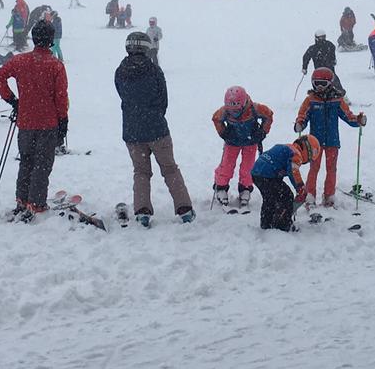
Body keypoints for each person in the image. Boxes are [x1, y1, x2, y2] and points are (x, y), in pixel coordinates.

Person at [114, 31, 194, 225]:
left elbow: (122, 94)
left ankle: (142, 211)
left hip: (132, 132)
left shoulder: (120, 71)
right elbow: (163, 100)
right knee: (170, 169)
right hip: (157, 130)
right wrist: (154, 115)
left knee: (141, 172)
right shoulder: (154, 70)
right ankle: (184, 210)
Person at [0, 19, 69, 218]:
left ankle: (22, 198)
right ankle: (36, 203)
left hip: (25, 121)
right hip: (48, 122)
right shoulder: (56, 65)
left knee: (26, 161)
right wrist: (63, 122)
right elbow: (61, 97)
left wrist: (12, 100)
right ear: (51, 40)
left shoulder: (20, 61)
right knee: (42, 164)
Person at [293, 67, 365, 206]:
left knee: (331, 168)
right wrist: (300, 123)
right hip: (314, 143)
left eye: (323, 84)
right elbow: (303, 115)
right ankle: (310, 194)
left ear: (330, 84)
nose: (319, 87)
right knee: (314, 167)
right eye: (316, 83)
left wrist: (358, 120)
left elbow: (348, 116)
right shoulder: (311, 100)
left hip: (332, 140)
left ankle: (329, 195)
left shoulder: (337, 101)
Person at [211, 85, 273, 209]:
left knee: (248, 167)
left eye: (236, 110)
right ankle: (221, 187)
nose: (234, 113)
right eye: (231, 110)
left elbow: (269, 115)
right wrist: (224, 132)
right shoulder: (224, 111)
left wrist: (262, 132)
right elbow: (216, 118)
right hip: (232, 143)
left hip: (250, 142)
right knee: (227, 165)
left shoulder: (255, 109)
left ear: (244, 103)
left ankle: (245, 188)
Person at [251, 134, 315, 232]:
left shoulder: (287, 147)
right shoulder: (296, 154)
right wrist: (300, 187)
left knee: (270, 198)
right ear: (308, 151)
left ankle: (266, 223)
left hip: (257, 173)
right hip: (267, 176)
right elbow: (293, 171)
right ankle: (283, 225)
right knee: (287, 196)